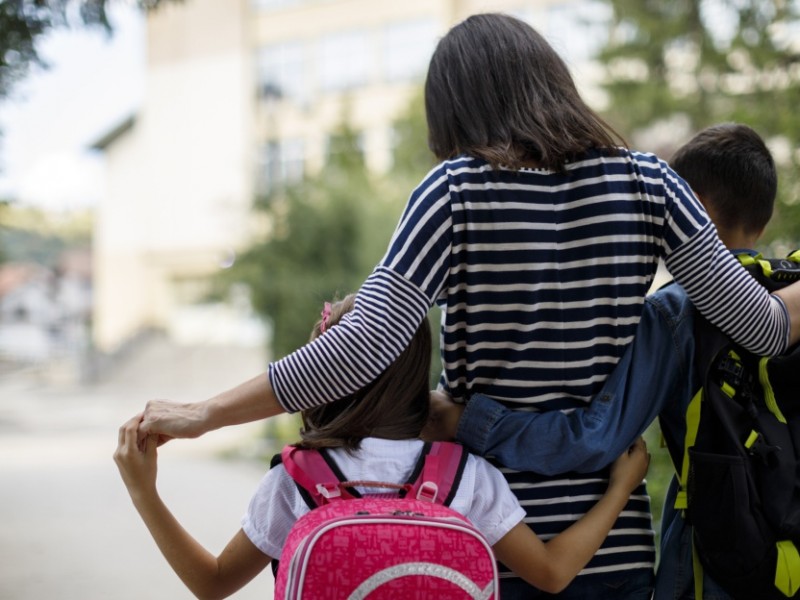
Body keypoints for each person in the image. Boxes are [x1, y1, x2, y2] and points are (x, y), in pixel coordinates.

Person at [136, 14, 800, 597]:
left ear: (455, 111)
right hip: (611, 547)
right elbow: (764, 329)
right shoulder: (652, 185)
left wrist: (206, 412)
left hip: (480, 537)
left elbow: (362, 346)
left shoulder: (455, 192)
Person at [426, 122, 776, 600]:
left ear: (691, 203)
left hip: (709, 555)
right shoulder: (786, 297)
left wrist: (468, 421)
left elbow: (594, 438)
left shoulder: (674, 315)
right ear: (765, 217)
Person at [114, 294, 651, 598]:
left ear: (319, 373)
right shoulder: (465, 475)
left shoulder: (296, 480)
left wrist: (145, 493)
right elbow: (553, 573)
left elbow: (211, 585)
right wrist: (619, 488)